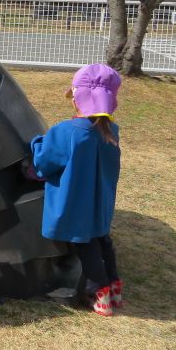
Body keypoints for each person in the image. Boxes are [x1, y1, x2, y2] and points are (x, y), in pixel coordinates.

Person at [28, 63, 123, 316]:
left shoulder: (67, 132)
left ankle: (99, 292)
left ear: (79, 98)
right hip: (99, 200)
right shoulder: (111, 130)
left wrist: (38, 143)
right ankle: (115, 287)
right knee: (103, 240)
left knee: (86, 245)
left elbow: (44, 160)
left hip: (76, 201)